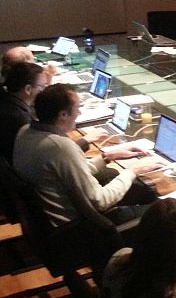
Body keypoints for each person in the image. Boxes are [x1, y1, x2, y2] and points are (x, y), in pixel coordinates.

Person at [13, 83, 161, 227]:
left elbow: (71, 172)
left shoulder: (24, 131)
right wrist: (133, 171)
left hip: (50, 221)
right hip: (81, 228)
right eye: (77, 108)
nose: (79, 113)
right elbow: (101, 201)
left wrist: (107, 157)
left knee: (137, 188)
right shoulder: (61, 147)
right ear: (63, 115)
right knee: (164, 211)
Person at [0, 62, 48, 163]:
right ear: (28, 89)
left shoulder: (6, 99)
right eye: (43, 87)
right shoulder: (21, 120)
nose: (45, 91)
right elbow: (40, 155)